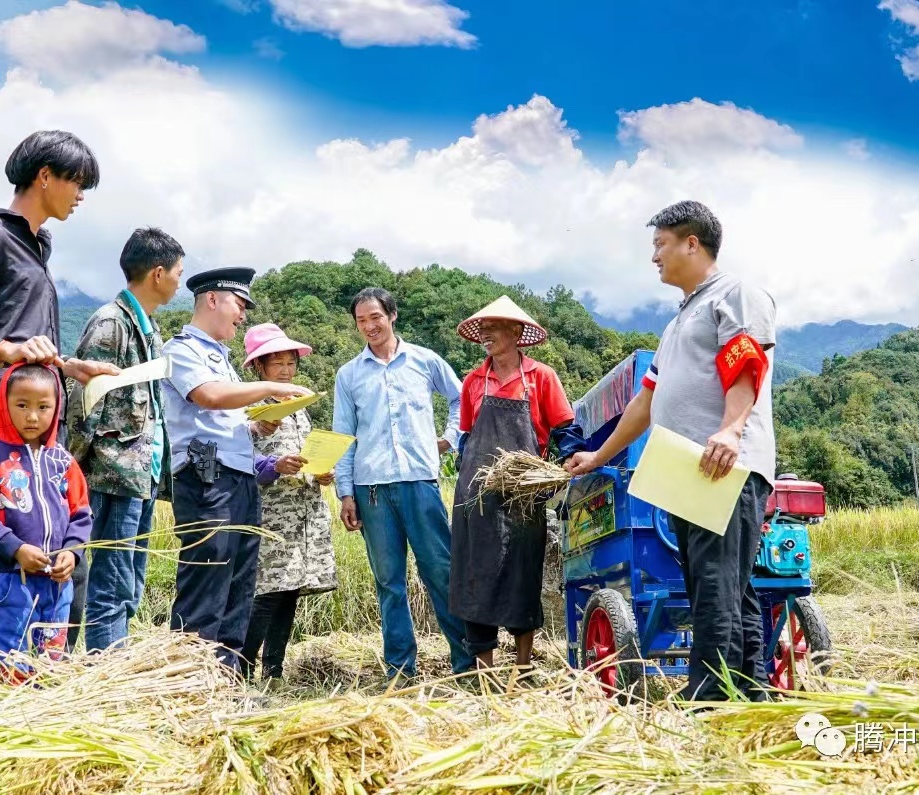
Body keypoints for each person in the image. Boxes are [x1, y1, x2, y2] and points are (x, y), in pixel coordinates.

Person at [566, 200, 777, 702]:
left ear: (692, 243)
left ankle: (711, 696)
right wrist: (598, 458)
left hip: (724, 463)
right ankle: (750, 691)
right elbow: (645, 401)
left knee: (715, 583)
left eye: (660, 244)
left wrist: (730, 430)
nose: (654, 256)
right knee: (723, 584)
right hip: (687, 468)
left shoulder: (735, 294)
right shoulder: (679, 319)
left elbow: (747, 364)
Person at [0, 130, 119, 665]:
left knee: (57, 542)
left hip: (41, 419)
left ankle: (44, 669)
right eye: (78, 183)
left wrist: (70, 367)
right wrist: (5, 349)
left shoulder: (38, 248)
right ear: (45, 176)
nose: (80, 196)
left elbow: (30, 345)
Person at [162, 267, 313, 670]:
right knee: (207, 579)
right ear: (212, 300)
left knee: (239, 584)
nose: (242, 315)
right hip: (207, 480)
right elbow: (209, 397)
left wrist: (255, 426)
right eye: (239, 305)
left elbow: (222, 420)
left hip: (240, 478)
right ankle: (190, 677)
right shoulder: (181, 350)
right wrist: (271, 388)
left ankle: (226, 679)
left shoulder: (221, 358)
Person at [333, 287, 474, 680]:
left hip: (419, 481)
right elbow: (343, 435)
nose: (369, 326)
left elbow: (462, 398)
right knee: (389, 582)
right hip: (372, 489)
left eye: (375, 317)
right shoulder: (349, 375)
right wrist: (345, 492)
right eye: (361, 321)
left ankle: (466, 665)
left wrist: (450, 437)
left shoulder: (424, 361)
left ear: (392, 315)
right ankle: (400, 670)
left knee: (441, 572)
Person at [449, 296, 585, 678]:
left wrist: (570, 461)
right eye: (483, 328)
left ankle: (523, 669)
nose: (486, 333)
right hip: (477, 496)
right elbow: (467, 438)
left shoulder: (541, 377)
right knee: (475, 576)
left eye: (493, 326)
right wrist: (465, 469)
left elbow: (565, 429)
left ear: (516, 331)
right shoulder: (473, 382)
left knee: (522, 575)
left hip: (523, 495)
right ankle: (485, 675)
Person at [66, 228, 183, 652]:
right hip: (112, 474)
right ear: (157, 273)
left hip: (140, 475)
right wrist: (72, 467)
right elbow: (84, 401)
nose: (180, 281)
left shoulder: (148, 328)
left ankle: (116, 661)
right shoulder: (111, 324)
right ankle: (105, 667)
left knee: (130, 580)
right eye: (178, 272)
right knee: (111, 582)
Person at [0, 363, 93, 683]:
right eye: (22, 405)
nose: (32, 416)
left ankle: (46, 708)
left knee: (51, 664)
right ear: (4, 406)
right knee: (11, 663)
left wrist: (72, 552)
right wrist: (15, 548)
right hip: (11, 581)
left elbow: (81, 513)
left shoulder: (63, 461)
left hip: (57, 584)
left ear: (56, 409)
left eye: (43, 407)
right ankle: (10, 710)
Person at [238, 324, 338, 681]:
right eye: (276, 363)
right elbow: (236, 461)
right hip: (270, 516)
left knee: (289, 590)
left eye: (290, 363)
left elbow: (306, 454)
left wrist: (322, 474)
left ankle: (274, 671)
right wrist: (274, 467)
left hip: (303, 514)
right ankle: (241, 669)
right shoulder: (247, 407)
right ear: (259, 367)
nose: (285, 370)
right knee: (267, 592)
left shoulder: (299, 408)